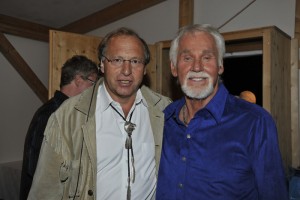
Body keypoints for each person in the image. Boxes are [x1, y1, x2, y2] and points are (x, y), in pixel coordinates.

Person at [28, 27, 171, 200]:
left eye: (135, 61)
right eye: (117, 60)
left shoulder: (165, 111)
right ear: (102, 64)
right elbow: (45, 190)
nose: (126, 70)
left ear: (145, 68)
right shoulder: (68, 116)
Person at [156, 24, 288, 200]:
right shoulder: (162, 120)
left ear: (220, 66)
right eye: (187, 58)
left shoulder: (255, 122)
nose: (197, 67)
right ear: (173, 68)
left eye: (207, 57)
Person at [19, 55, 99, 200]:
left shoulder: (67, 112)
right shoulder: (53, 113)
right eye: (93, 83)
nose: (96, 90)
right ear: (79, 80)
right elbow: (36, 168)